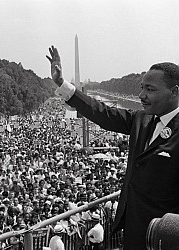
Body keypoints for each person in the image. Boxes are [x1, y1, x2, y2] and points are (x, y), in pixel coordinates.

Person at [47, 46, 179, 250]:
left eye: (150, 89)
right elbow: (103, 114)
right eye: (142, 87)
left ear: (174, 92)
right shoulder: (142, 119)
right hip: (133, 226)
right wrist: (62, 84)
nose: (141, 95)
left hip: (165, 234)